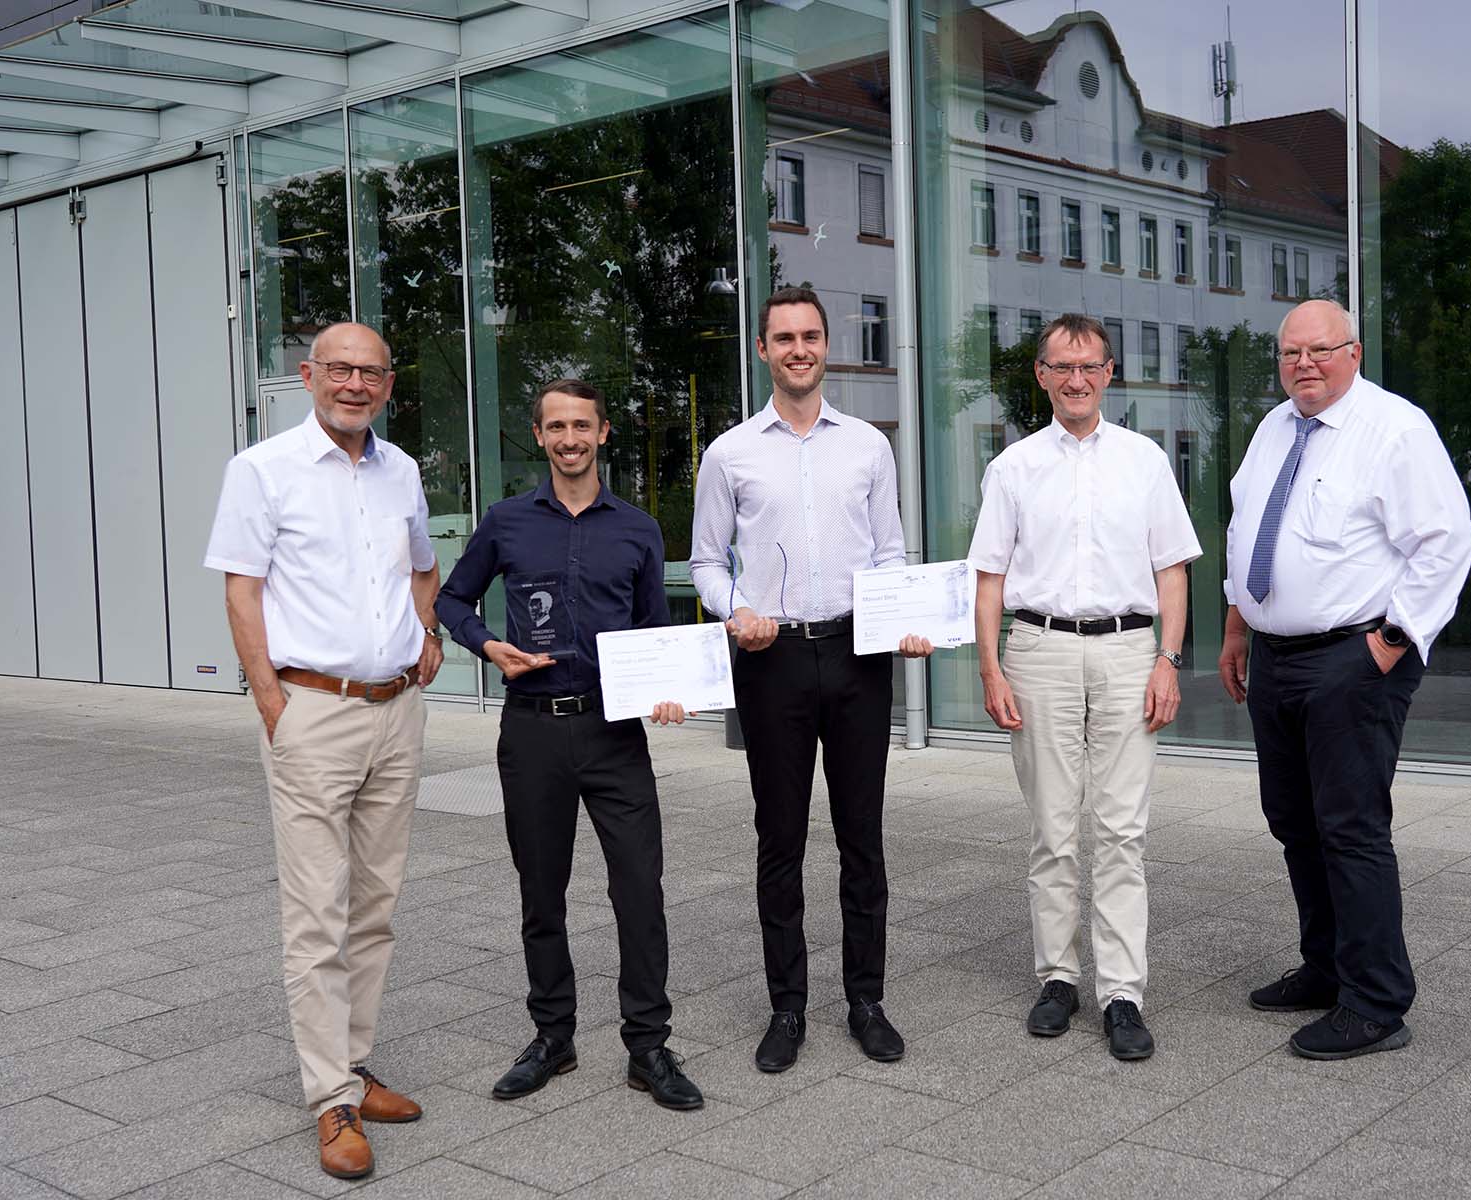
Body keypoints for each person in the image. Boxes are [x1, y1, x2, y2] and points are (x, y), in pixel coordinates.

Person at [203, 322, 443, 1180]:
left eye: (371, 372)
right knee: (316, 912)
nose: (355, 384)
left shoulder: (401, 470)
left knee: (375, 904)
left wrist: (428, 633)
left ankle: (355, 1063)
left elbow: (422, 566)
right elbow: (242, 590)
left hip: (396, 711)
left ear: (388, 385)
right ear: (309, 376)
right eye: (340, 369)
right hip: (311, 710)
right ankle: (330, 1098)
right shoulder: (262, 469)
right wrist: (270, 700)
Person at [434, 379, 704, 1111]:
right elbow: (451, 599)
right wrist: (487, 644)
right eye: (556, 427)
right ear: (540, 436)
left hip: (615, 733)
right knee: (541, 892)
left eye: (581, 425)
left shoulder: (638, 528)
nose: (569, 439)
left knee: (639, 890)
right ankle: (553, 1038)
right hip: (532, 731)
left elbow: (653, 629)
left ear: (603, 432)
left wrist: (667, 687)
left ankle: (648, 1047)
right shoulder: (506, 522)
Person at [1218, 299, 1471, 1060]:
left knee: (1350, 828)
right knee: (1294, 820)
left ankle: (1376, 1003)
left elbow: (1446, 541)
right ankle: (1326, 967)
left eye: (1320, 350)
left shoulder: (1394, 428)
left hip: (1352, 658)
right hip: (1275, 655)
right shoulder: (1274, 428)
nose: (1304, 364)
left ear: (1354, 353)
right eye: (1290, 352)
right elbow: (1246, 531)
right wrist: (1236, 627)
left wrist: (1392, 641)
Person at [689, 285, 933, 1073]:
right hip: (774, 660)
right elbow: (705, 562)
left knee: (863, 837)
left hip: (859, 654)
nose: (799, 349)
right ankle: (787, 1007)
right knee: (781, 839)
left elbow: (890, 552)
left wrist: (904, 620)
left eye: (811, 336)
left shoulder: (867, 446)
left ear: (827, 346)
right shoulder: (729, 453)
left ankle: (867, 1001)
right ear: (763, 349)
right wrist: (737, 610)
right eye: (784, 337)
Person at [968, 314, 1199, 1061]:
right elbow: (990, 579)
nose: (1077, 380)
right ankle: (1059, 979)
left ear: (1109, 373)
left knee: (1122, 832)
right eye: (1062, 367)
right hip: (1038, 652)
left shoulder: (1144, 461)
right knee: (1054, 829)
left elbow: (1172, 570)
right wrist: (991, 668)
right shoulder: (1012, 469)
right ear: (1042, 376)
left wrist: (1169, 659)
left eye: (1090, 366)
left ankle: (1123, 994)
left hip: (1130, 652)